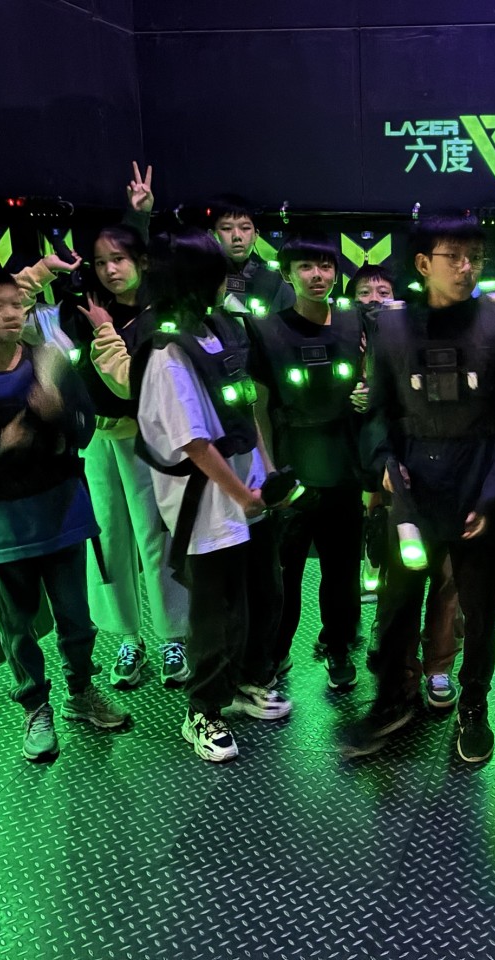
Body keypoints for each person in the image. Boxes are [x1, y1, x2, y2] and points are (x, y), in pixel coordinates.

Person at [341, 213, 495, 762]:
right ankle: (391, 699)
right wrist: (384, 464)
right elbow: (379, 410)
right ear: (423, 263)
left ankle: (474, 706)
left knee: (479, 609)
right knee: (397, 602)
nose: (467, 268)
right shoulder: (392, 325)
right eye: (454, 257)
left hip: (479, 475)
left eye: (475, 258)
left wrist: (493, 494)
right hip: (414, 482)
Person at [0, 263, 129, 762]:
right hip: (1, 525)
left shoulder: (49, 360)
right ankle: (35, 707)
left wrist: (59, 411)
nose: (10, 314)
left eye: (16, 304)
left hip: (62, 512)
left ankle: (81, 692)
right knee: (17, 629)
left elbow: (86, 426)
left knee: (77, 620)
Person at [133, 229, 292, 762]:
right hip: (207, 503)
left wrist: (266, 470)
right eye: (219, 271)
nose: (228, 279)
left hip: (248, 487)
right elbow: (193, 442)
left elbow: (245, 406)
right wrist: (241, 496)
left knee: (262, 593)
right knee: (217, 611)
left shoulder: (221, 328)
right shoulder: (166, 351)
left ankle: (247, 682)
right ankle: (202, 710)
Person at [56, 224, 191, 689]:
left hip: (147, 438)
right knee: (106, 538)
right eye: (100, 262)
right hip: (96, 437)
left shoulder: (163, 312)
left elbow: (136, 386)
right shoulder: (87, 309)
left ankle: (174, 636)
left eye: (119, 259)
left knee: (156, 536)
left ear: (142, 261)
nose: (110, 270)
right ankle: (127, 637)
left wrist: (144, 215)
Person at [246, 235, 366, 692]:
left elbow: (373, 375)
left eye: (326, 266)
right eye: (306, 267)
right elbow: (259, 407)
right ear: (287, 274)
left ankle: (338, 646)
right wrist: (268, 470)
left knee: (342, 571)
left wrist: (368, 392)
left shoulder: (354, 320)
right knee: (283, 574)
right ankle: (274, 653)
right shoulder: (266, 330)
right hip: (292, 468)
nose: (318, 275)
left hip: (344, 465)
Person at [210, 197, 296, 319]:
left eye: (245, 228)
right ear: (212, 235)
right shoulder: (201, 280)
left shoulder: (274, 283)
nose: (237, 236)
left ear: (256, 235)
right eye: (227, 228)